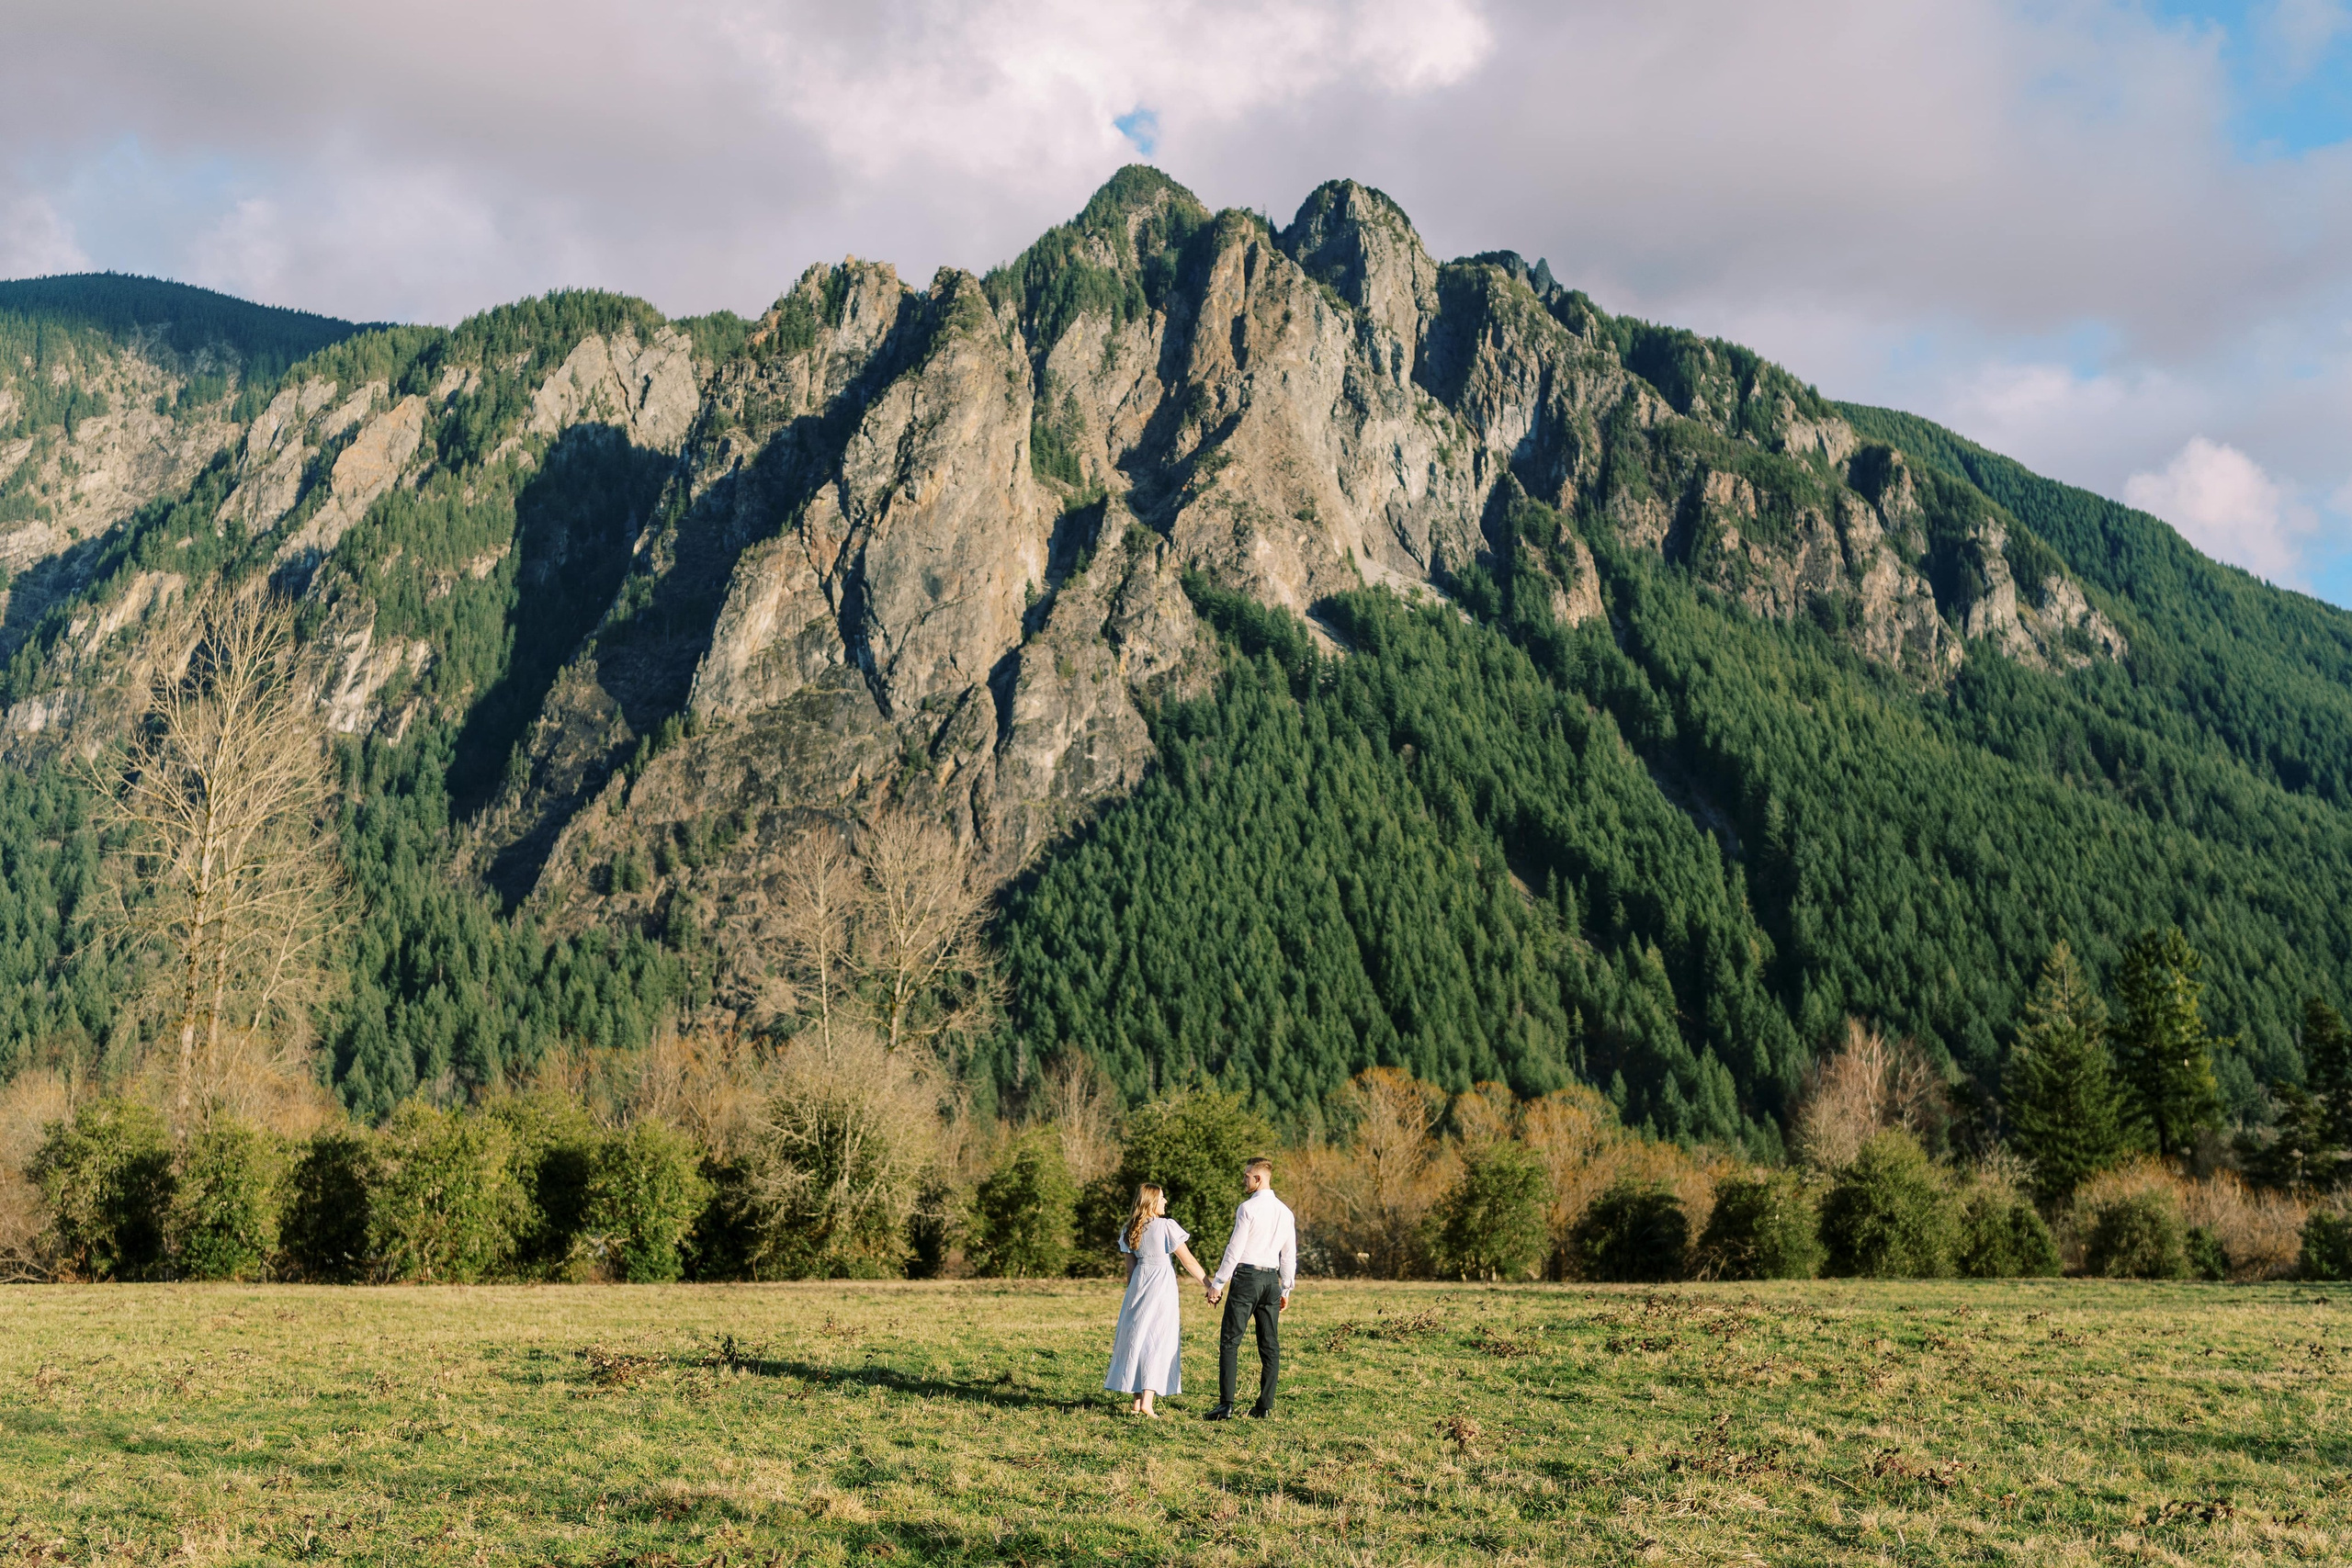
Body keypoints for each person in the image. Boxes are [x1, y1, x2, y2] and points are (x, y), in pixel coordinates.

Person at [1201, 1155, 1296, 1421]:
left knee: (1230, 1341)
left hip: (1246, 1278)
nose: (1243, 1180)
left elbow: (1235, 1249)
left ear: (1258, 1178)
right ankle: (1264, 1406)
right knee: (1270, 1345)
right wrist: (1285, 1289)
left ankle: (1226, 1405)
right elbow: (1289, 1254)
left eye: (1246, 1176)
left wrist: (1218, 1283)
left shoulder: (1248, 1209)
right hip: (1271, 1282)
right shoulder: (1285, 1212)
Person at [1102, 1183, 1209, 1417]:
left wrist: (1132, 1296)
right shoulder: (1166, 1226)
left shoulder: (1130, 1228)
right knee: (1157, 1339)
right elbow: (1188, 1261)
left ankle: (1136, 1401)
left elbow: (1130, 1271)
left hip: (1138, 1286)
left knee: (1137, 1338)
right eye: (1162, 1198)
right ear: (1151, 1201)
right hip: (1161, 1285)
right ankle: (1147, 1403)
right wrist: (1209, 1285)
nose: (1165, 1201)